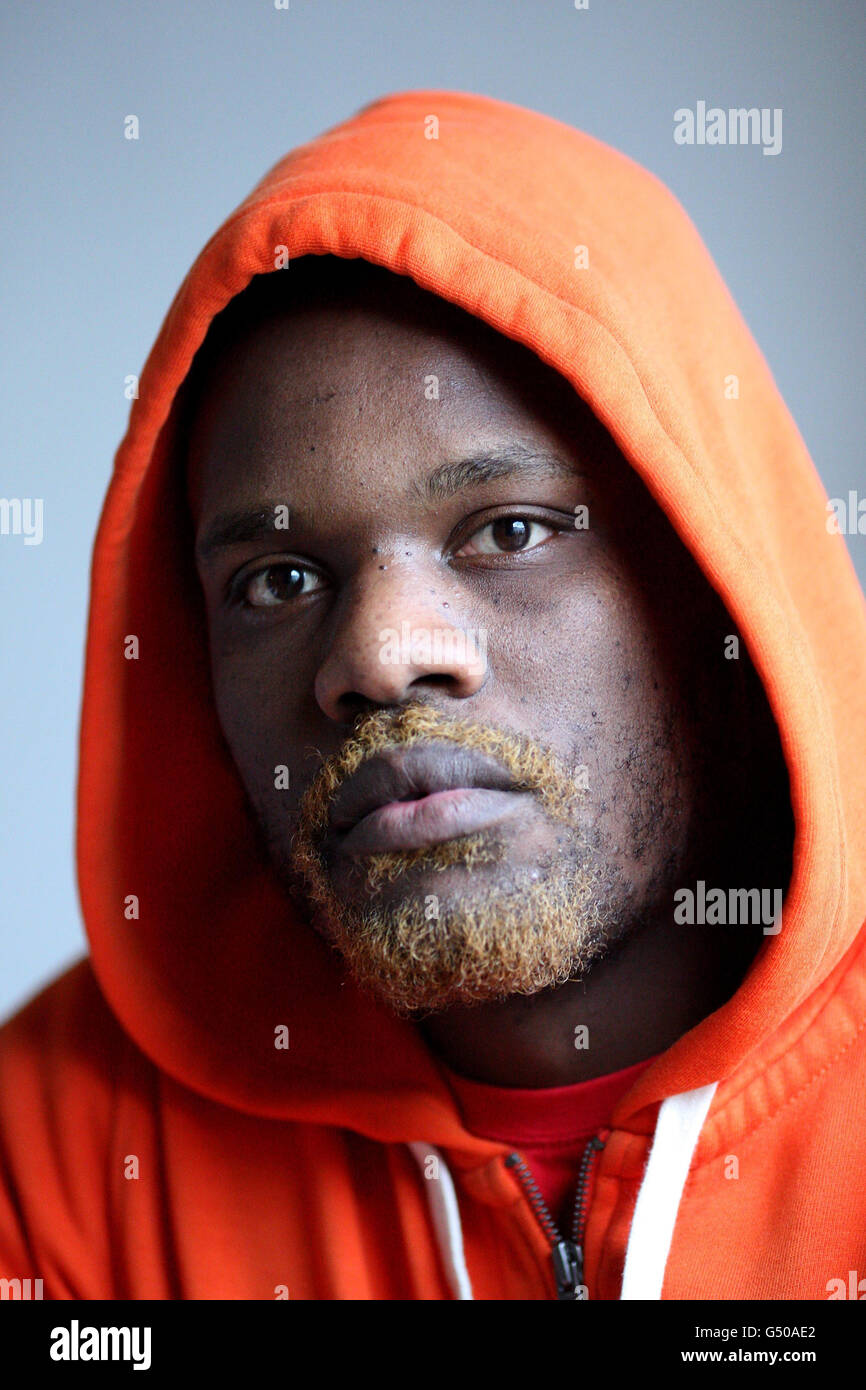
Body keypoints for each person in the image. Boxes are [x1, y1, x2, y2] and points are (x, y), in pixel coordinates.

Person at [1, 89, 864, 1302]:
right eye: (280, 576)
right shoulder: (58, 1152)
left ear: (708, 574)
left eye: (508, 530)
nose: (384, 655)